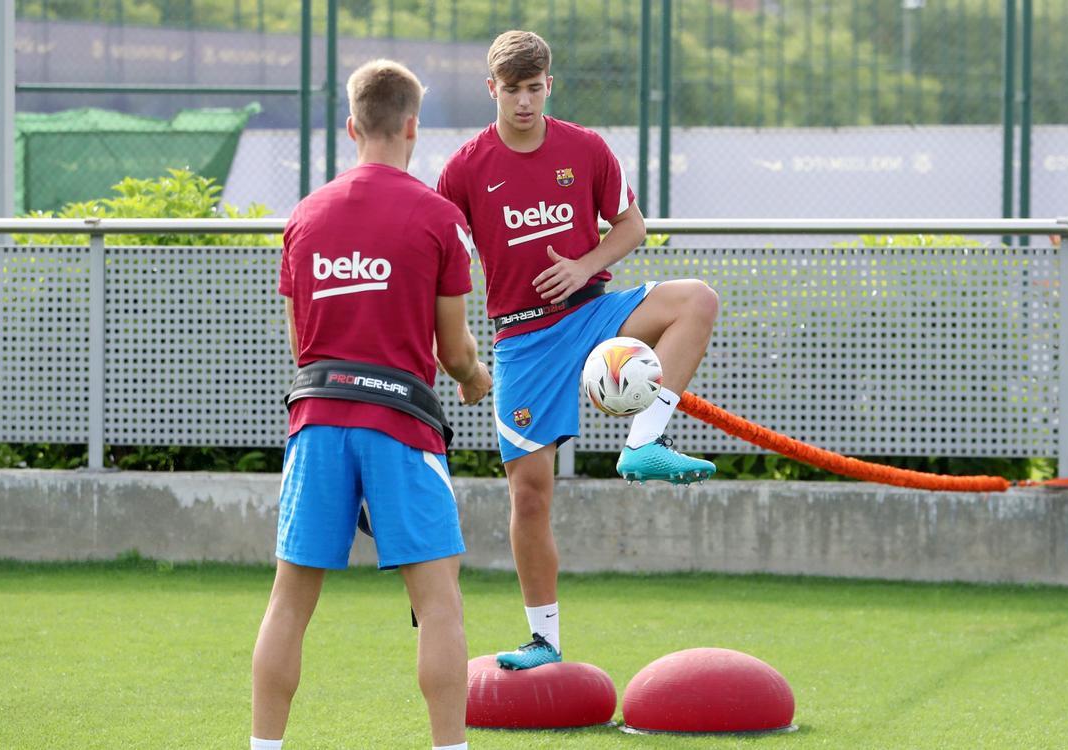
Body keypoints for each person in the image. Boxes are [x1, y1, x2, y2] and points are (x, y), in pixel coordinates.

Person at [436, 30, 719, 671]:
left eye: (535, 89)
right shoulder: (464, 168)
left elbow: (633, 227)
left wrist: (583, 264)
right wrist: (455, 353)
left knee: (696, 299)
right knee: (530, 496)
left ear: (549, 86)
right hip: (522, 342)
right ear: (493, 91)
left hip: (594, 314)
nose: (526, 102)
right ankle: (545, 640)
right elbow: (436, 255)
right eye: (513, 91)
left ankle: (643, 444)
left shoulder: (585, 149)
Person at [250, 59, 492, 750]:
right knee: (438, 602)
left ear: (351, 126)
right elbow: (455, 351)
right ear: (413, 126)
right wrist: (477, 382)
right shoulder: (439, 218)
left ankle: (264, 746)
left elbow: (304, 346)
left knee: (289, 602)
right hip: (402, 429)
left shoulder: (306, 216)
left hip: (318, 424)